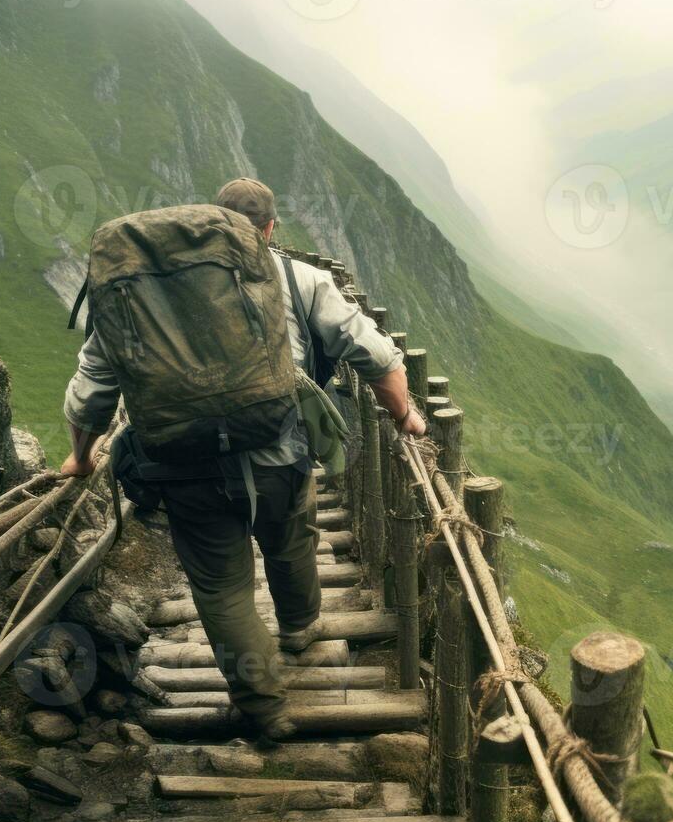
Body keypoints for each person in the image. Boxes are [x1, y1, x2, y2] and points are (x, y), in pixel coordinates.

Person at [60, 178, 426, 741]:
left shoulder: (136, 290)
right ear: (270, 228)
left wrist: (81, 458)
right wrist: (404, 414)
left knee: (223, 590)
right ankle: (301, 629)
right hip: (278, 452)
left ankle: (263, 708)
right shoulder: (299, 277)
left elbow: (92, 391)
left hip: (183, 465)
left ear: (209, 222)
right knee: (292, 539)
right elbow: (373, 353)